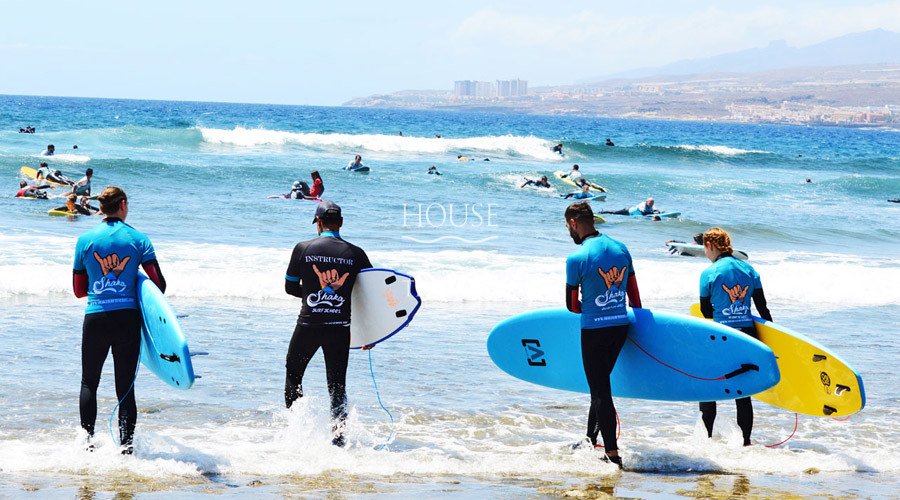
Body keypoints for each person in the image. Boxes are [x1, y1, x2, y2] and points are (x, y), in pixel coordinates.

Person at [72, 187, 167, 454]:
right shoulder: (139, 239)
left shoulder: (85, 240)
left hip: (96, 317)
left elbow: (79, 290)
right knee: (125, 386)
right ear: (123, 204)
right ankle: (126, 450)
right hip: (127, 320)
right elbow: (159, 285)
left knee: (89, 381)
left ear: (101, 207)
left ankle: (86, 446)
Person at [283, 201, 373, 447]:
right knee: (337, 385)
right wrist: (370, 334)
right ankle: (339, 440)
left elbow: (290, 287)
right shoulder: (356, 253)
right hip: (339, 328)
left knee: (294, 375)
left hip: (308, 326)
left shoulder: (303, 248)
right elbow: (370, 295)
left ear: (319, 223)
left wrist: (316, 293)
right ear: (341, 223)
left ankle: (296, 433)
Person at [564, 201, 642, 468]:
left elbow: (572, 306)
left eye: (568, 227)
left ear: (574, 223)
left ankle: (611, 453)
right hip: (621, 326)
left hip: (595, 330)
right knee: (599, 387)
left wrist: (592, 304)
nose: (569, 232)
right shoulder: (621, 248)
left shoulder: (577, 258)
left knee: (600, 391)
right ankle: (589, 440)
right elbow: (634, 294)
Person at [697, 228, 772, 446]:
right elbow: (763, 309)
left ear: (710, 245)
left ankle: (706, 440)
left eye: (705, 248)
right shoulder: (749, 270)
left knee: (708, 385)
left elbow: (705, 311)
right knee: (743, 391)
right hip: (747, 335)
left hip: (721, 335)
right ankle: (745, 442)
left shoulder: (709, 273)